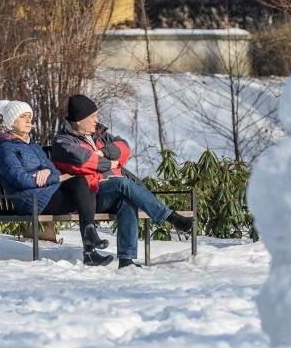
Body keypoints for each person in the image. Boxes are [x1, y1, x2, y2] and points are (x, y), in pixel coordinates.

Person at [50, 94, 194, 269]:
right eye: (93, 116)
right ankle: (170, 217)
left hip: (109, 192)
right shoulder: (63, 141)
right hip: (89, 195)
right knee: (121, 183)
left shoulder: (100, 135)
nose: (97, 120)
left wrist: (102, 153)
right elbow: (83, 162)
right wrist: (110, 163)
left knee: (126, 201)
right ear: (79, 120)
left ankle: (126, 259)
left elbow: (124, 148)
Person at [0, 100, 113, 267]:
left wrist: (47, 172)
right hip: (30, 200)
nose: (28, 121)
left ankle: (90, 238)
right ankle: (90, 246)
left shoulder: (32, 144)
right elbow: (22, 180)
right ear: (11, 121)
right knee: (84, 191)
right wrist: (54, 178)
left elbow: (53, 170)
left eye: (30, 117)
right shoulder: (5, 149)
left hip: (46, 193)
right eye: (23, 117)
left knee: (80, 181)